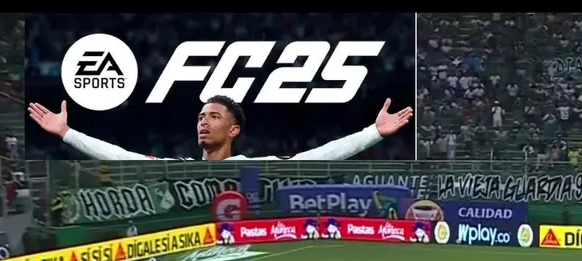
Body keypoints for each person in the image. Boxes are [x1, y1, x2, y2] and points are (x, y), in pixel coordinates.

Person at [28, 96, 413, 161]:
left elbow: (316, 156)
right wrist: (67, 133)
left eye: (213, 117)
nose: (203, 121)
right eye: (200, 116)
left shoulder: (251, 168)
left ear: (233, 131)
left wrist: (373, 133)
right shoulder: (179, 169)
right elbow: (122, 156)